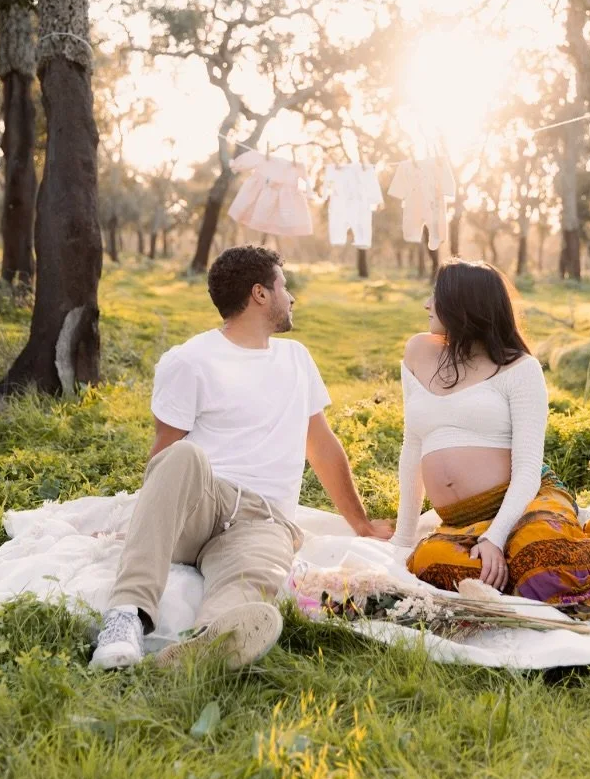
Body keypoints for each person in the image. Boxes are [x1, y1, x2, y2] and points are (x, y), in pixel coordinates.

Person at [91, 245, 394, 671]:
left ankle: (205, 647)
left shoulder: (296, 359)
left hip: (263, 520)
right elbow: (164, 455)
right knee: (184, 455)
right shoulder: (189, 361)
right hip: (201, 503)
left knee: (257, 576)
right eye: (284, 287)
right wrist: (145, 521)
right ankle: (126, 618)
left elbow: (322, 446)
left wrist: (361, 523)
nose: (291, 298)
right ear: (260, 294)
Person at [392, 260, 590, 615]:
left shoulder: (519, 369)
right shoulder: (419, 353)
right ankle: (502, 560)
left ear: (462, 304)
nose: (426, 305)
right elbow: (413, 447)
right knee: (427, 562)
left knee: (540, 566)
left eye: (435, 296)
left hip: (524, 501)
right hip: (459, 520)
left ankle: (553, 534)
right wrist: (402, 540)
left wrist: (494, 537)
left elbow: (527, 469)